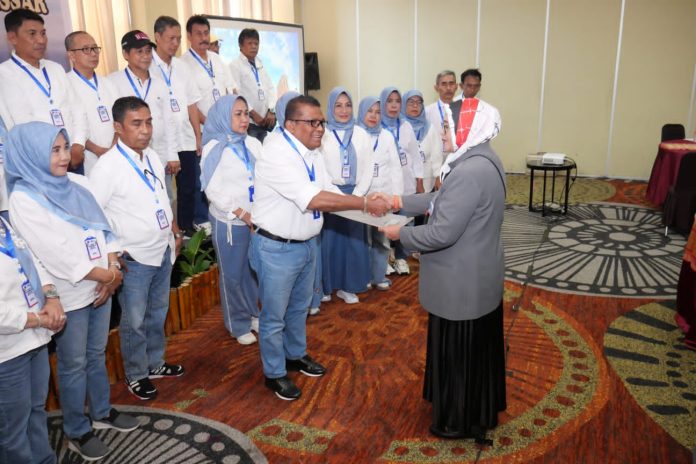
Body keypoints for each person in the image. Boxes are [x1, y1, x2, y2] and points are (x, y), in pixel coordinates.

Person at [6, 121, 140, 460]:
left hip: (100, 284)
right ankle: (77, 429)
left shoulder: (78, 183)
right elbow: (56, 254)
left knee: (95, 354)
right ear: (33, 154)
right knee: (73, 362)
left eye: (66, 147)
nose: (66, 156)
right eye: (55, 150)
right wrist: (106, 275)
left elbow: (103, 227)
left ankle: (102, 411)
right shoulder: (25, 197)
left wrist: (110, 270)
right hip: (69, 293)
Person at [250, 95, 390, 400]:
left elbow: (328, 190)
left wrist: (373, 212)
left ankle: (295, 355)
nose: (320, 129)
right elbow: (314, 198)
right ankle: (274, 374)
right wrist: (365, 203)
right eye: (312, 122)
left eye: (321, 122)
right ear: (289, 125)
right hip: (277, 248)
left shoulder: (311, 149)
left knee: (299, 308)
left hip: (307, 243)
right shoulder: (276, 153)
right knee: (274, 316)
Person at [381, 103, 506, 440]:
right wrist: (399, 201)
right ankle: (473, 408)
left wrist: (400, 234)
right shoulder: (483, 159)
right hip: (477, 275)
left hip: (460, 283)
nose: (443, 134)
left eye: (448, 128)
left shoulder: (468, 172)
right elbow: (441, 199)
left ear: (468, 129)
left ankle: (458, 418)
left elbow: (441, 232)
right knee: (472, 352)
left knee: (459, 354)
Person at [89, 97, 184, 401]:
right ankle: (136, 373)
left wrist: (174, 229)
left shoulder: (152, 157)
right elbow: (93, 218)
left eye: (149, 122)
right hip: (134, 257)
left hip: (162, 249)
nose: (145, 130)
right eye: (136, 124)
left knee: (158, 313)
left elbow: (163, 196)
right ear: (118, 127)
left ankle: (155, 363)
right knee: (135, 320)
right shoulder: (106, 168)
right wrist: (113, 254)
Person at [0, 216, 64, 464]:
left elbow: (35, 263)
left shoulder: (4, 225)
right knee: (12, 433)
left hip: (35, 340)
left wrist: (52, 297)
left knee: (36, 411)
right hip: (7, 353)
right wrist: (38, 319)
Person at [200, 95, 260, 345]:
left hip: (256, 220)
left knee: (251, 271)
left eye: (246, 113)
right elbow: (212, 190)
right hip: (230, 222)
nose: (245, 119)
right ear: (224, 115)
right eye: (238, 114)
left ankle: (252, 312)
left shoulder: (254, 144)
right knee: (232, 275)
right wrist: (243, 214)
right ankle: (237, 323)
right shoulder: (214, 148)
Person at [0, 8, 86, 172]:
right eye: (32, 34)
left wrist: (78, 145)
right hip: (40, 164)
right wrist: (53, 155)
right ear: (12, 37)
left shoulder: (56, 68)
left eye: (43, 33)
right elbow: (20, 125)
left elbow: (77, 108)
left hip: (73, 159)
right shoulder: (4, 75)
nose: (41, 40)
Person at [152, 16, 207, 236]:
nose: (175, 43)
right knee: (164, 190)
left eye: (178, 39)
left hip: (185, 138)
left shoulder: (182, 67)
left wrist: (197, 136)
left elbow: (192, 104)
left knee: (189, 188)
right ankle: (167, 230)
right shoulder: (149, 66)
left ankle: (185, 229)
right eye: (170, 38)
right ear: (157, 37)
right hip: (161, 141)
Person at [108, 30, 178, 202]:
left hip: (159, 154)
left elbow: (169, 120)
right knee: (136, 199)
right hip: (129, 155)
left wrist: (173, 155)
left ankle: (170, 229)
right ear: (125, 54)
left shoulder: (160, 84)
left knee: (164, 198)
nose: (146, 56)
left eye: (148, 51)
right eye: (139, 52)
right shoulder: (113, 82)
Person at [320, 87, 373, 304]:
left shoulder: (361, 133)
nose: (344, 110)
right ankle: (327, 286)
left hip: (355, 194)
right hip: (330, 195)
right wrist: (335, 195)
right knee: (329, 242)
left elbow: (369, 166)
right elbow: (319, 165)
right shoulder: (322, 133)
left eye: (348, 105)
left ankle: (348, 286)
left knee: (353, 242)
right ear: (331, 108)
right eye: (338, 105)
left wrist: (358, 196)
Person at [357, 96, 403, 289]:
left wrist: (396, 197)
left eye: (377, 112)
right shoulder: (355, 134)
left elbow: (396, 168)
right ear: (362, 112)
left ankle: (379, 276)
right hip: (362, 197)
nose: (374, 116)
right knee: (362, 240)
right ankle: (364, 277)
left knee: (382, 239)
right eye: (370, 111)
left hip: (383, 197)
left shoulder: (387, 136)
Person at [380, 87, 423, 275]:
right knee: (383, 222)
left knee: (404, 221)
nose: (394, 105)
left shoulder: (405, 126)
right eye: (389, 101)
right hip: (384, 184)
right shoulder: (376, 126)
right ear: (383, 103)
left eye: (397, 101)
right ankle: (383, 259)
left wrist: (419, 181)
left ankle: (401, 257)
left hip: (405, 184)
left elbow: (415, 155)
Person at [65, 31, 119, 175]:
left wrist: (114, 145)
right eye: (86, 49)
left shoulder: (108, 83)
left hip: (115, 153)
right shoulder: (65, 84)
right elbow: (73, 125)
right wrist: (98, 150)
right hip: (86, 159)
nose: (93, 53)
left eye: (95, 48)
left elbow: (119, 117)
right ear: (71, 55)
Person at [182, 15, 237, 122]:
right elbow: (188, 104)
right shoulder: (182, 64)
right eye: (199, 34)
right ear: (189, 36)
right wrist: (209, 124)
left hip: (226, 125)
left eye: (206, 33)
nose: (204, 38)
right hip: (203, 130)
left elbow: (232, 89)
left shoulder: (217, 59)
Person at [229, 28, 276, 142]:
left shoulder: (260, 64)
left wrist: (271, 111)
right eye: (250, 43)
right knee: (253, 156)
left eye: (256, 43)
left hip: (264, 122)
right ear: (240, 45)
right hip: (248, 123)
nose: (254, 46)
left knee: (263, 156)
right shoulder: (235, 65)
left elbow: (270, 88)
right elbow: (236, 95)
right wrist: (253, 114)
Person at [402, 89, 446, 193]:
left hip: (427, 182)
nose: (415, 106)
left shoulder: (430, 127)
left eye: (419, 103)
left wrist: (438, 176)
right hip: (404, 182)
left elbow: (436, 154)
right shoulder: (400, 127)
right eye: (411, 102)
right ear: (404, 105)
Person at [424, 71, 457, 190]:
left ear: (456, 86)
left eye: (451, 83)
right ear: (436, 87)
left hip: (456, 164)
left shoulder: (463, 111)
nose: (448, 88)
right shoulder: (427, 112)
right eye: (443, 84)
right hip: (433, 167)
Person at [450, 69, 495, 150]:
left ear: (480, 86)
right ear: (461, 85)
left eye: (476, 86)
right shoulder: (451, 105)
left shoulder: (483, 108)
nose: (472, 89)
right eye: (469, 85)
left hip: (475, 150)